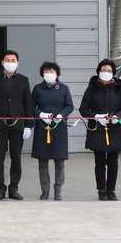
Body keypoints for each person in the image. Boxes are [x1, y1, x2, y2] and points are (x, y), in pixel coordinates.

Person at [0, 50, 33, 200]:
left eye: (13, 60)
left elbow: (28, 104)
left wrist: (28, 125)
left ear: (17, 63)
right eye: (7, 60)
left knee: (16, 157)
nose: (10, 63)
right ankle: (0, 189)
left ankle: (14, 188)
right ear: (2, 62)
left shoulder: (23, 80)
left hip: (17, 124)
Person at [79, 59, 121, 201]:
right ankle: (101, 189)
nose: (105, 72)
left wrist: (117, 117)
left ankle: (111, 190)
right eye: (103, 70)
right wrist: (96, 116)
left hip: (115, 129)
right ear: (98, 72)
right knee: (100, 161)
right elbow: (83, 109)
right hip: (98, 129)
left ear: (113, 73)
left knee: (113, 161)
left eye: (108, 70)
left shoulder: (119, 89)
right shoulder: (91, 88)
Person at [31, 62, 73, 200]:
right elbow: (31, 106)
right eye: (46, 71)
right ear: (42, 73)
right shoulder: (37, 89)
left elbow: (69, 106)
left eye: (52, 71)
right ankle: (45, 190)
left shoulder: (64, 88)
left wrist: (61, 115)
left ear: (57, 73)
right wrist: (40, 114)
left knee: (59, 160)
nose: (49, 73)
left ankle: (58, 189)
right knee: (42, 161)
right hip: (42, 127)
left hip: (58, 127)